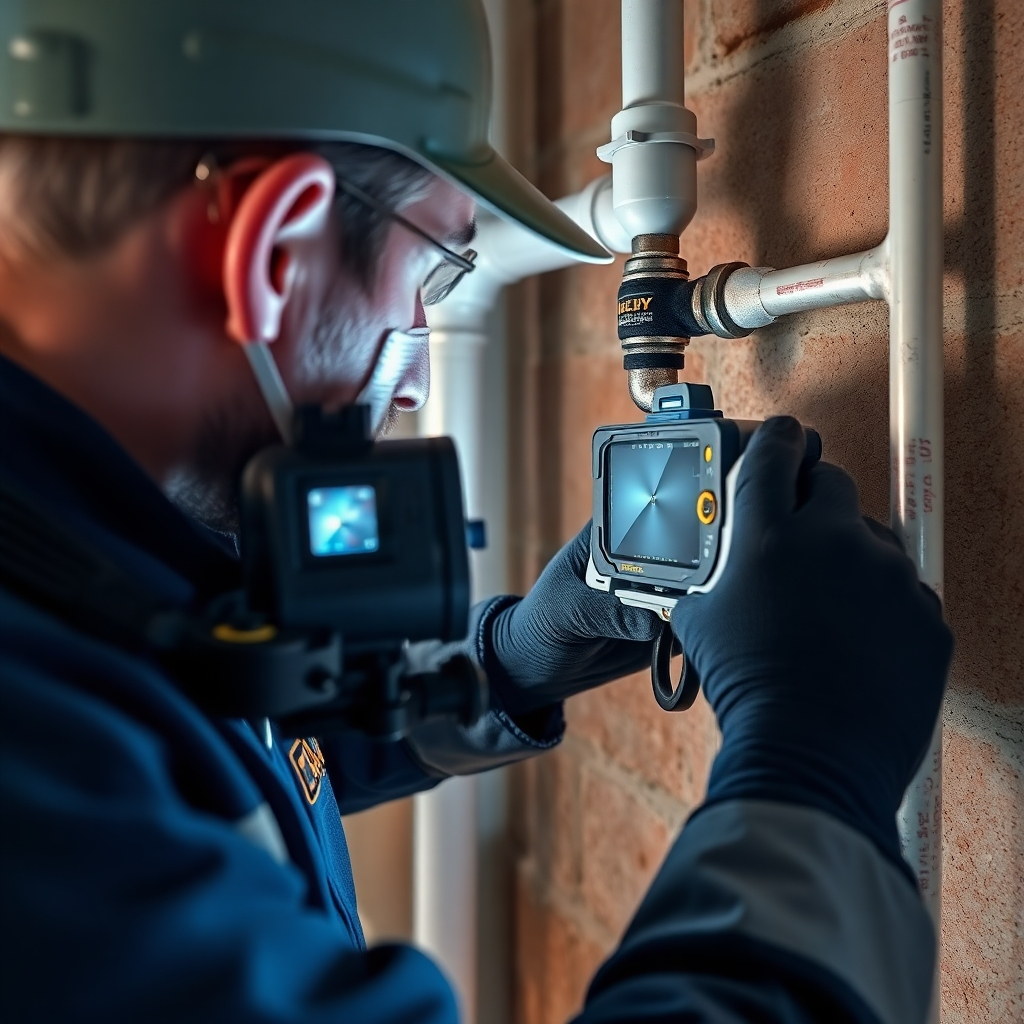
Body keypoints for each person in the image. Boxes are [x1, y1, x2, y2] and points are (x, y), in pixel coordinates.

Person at [0, 2, 952, 1022]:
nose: (410, 375)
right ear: (271, 255)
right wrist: (809, 765)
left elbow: (230, 740)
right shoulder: (39, 757)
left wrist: (502, 664)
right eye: (428, 271)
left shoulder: (87, 575)